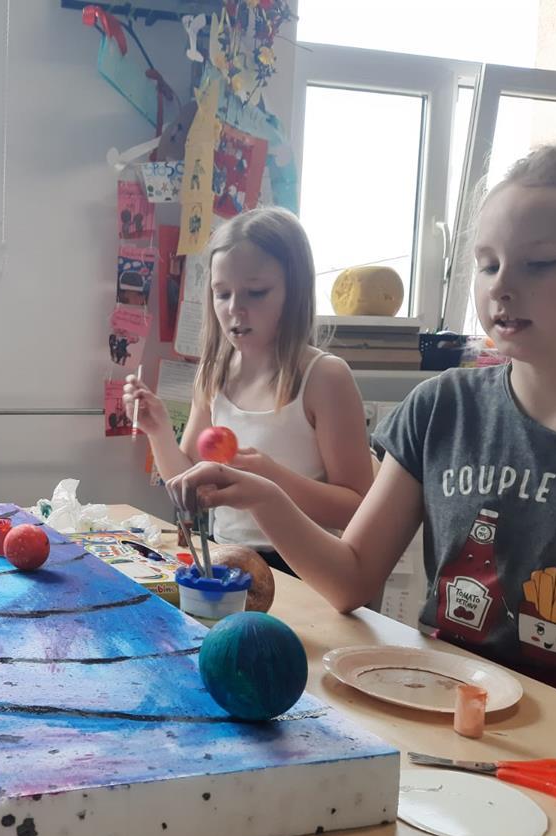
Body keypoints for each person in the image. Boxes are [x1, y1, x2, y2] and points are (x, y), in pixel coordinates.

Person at [170, 143, 556, 716]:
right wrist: (264, 495)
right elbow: (350, 582)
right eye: (488, 264)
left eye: (539, 264)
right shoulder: (441, 409)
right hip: (444, 699)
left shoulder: (326, 376)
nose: (501, 287)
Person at [125, 206, 373, 575]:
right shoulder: (214, 374)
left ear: (293, 292)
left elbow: (358, 508)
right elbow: (190, 487)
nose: (235, 309)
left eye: (256, 293)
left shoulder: (325, 378)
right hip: (228, 558)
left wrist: (272, 479)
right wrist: (157, 429)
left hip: (306, 569)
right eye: (222, 293)